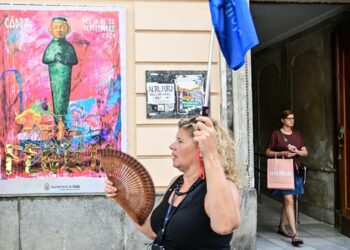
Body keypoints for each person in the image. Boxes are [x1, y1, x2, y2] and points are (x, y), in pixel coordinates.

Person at [105, 116, 241, 249]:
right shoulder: (176, 183)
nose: (172, 146)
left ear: (201, 149)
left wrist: (211, 154)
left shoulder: (225, 187)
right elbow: (155, 232)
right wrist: (122, 197)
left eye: (180, 141)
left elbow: (224, 225)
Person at [265, 110, 308, 246]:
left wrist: (297, 151)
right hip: (282, 170)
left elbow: (305, 152)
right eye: (288, 118)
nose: (291, 121)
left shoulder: (297, 135)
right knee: (289, 200)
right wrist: (282, 152)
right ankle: (295, 234)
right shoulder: (276, 134)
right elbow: (267, 152)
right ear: (282, 120)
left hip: (295, 170)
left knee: (289, 200)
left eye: (293, 118)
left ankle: (281, 227)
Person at [42, 17, 78, 127]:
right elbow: (45, 59)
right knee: (57, 98)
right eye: (56, 27)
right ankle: (58, 123)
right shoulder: (51, 46)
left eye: (62, 27)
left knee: (64, 97)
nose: (59, 30)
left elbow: (74, 60)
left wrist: (64, 59)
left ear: (68, 30)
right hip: (55, 78)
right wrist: (54, 58)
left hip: (66, 77)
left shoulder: (69, 46)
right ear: (50, 30)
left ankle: (64, 123)